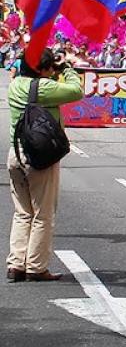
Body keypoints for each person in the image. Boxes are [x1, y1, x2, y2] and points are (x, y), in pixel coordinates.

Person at [7, 48, 83, 282]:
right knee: (43, 214)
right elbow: (76, 91)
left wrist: (50, 68)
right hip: (39, 156)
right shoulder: (44, 87)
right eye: (49, 67)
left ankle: (16, 263)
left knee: (22, 212)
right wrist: (67, 68)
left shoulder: (15, 84)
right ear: (41, 70)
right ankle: (36, 267)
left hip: (15, 153)